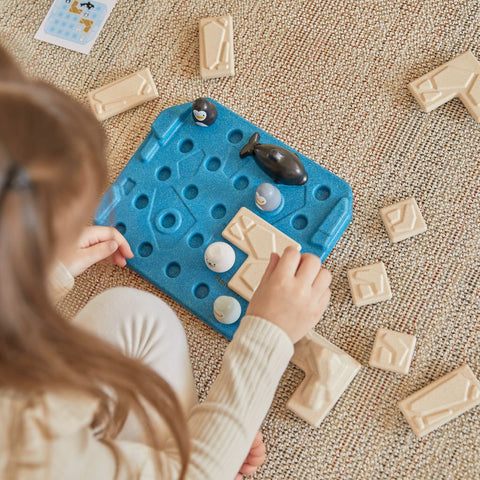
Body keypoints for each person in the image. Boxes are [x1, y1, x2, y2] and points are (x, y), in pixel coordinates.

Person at [0, 43, 332, 480]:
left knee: (134, 312)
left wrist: (42, 275)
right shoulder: (28, 453)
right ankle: (191, 452)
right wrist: (268, 336)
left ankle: (194, 445)